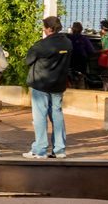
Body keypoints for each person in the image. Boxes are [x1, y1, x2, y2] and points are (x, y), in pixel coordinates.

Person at [23, 16, 73, 159]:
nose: (43, 30)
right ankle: (59, 149)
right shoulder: (67, 43)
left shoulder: (41, 45)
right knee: (57, 115)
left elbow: (28, 61)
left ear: (49, 29)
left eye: (44, 27)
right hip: (58, 84)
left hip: (41, 84)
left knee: (40, 116)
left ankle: (40, 149)